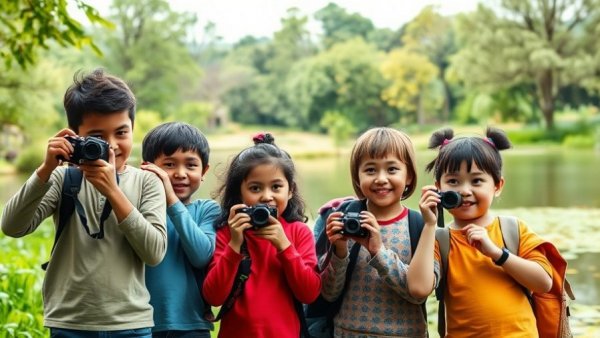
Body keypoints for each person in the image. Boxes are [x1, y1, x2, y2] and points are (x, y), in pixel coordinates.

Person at [0, 69, 167, 337]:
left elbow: (154, 252)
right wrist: (44, 169)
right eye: (97, 137)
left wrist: (113, 191)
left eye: (121, 132)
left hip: (130, 323)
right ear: (74, 136)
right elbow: (12, 226)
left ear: (133, 129)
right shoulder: (61, 178)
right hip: (70, 322)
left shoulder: (148, 182)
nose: (111, 145)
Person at [418, 127, 553, 337]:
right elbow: (420, 288)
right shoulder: (439, 239)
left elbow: (544, 282)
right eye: (453, 181)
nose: (464, 190)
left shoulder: (512, 229)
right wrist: (429, 225)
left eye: (477, 180)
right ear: (438, 188)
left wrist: (498, 254)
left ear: (497, 185)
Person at [316, 127, 438, 337]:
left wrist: (378, 252)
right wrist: (339, 251)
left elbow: (418, 294)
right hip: (348, 332)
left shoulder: (422, 225)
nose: (381, 178)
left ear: (409, 176)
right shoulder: (346, 219)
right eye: (370, 170)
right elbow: (328, 294)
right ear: (357, 177)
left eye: (392, 169)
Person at [202, 132, 321, 338]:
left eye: (276, 187)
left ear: (290, 190)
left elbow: (309, 293)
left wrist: (284, 246)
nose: (267, 196)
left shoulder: (298, 232)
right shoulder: (227, 233)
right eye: (255, 188)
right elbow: (214, 297)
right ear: (240, 193)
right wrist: (234, 245)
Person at [141, 122, 219, 338]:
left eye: (191, 165)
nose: (180, 173)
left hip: (191, 324)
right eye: (169, 164)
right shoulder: (137, 208)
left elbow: (201, 256)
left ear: (204, 171)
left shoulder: (207, 209)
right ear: (148, 168)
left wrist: (172, 201)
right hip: (139, 323)